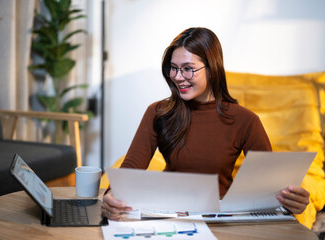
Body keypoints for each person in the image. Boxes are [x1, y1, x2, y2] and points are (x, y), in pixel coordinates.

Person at [101, 27, 310, 220]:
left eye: (188, 69)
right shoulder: (158, 112)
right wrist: (111, 196)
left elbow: (269, 188)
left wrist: (291, 202)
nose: (178, 77)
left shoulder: (245, 120)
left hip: (218, 219)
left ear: (212, 69)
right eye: (173, 68)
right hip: (168, 216)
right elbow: (129, 172)